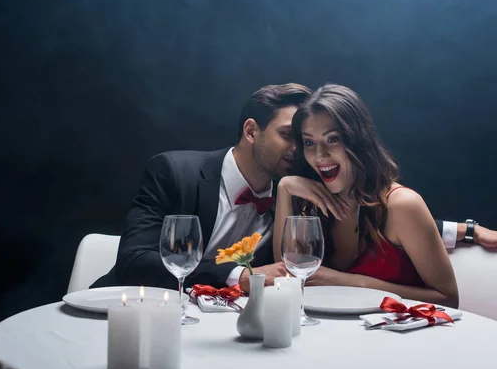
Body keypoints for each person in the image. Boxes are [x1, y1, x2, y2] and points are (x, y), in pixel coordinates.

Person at [92, 83, 493, 294]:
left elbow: (377, 211)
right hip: (136, 309)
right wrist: (237, 277)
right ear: (252, 132)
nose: (306, 153)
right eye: (296, 138)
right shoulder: (173, 172)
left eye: (321, 140)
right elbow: (135, 260)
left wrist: (466, 229)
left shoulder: (303, 194)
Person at [273, 84, 459, 307]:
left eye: (332, 139)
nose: (320, 155)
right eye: (310, 143)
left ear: (358, 140)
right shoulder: (312, 202)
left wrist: (349, 282)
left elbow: (448, 299)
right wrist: (284, 189)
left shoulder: (401, 205)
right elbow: (288, 276)